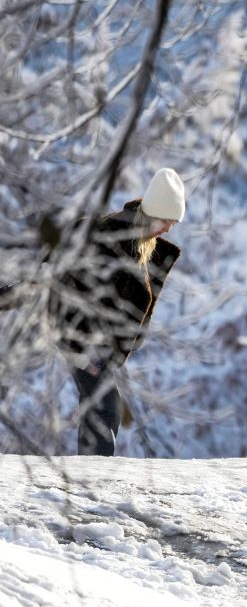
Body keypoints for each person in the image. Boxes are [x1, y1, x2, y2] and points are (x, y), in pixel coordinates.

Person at [50, 168, 185, 456]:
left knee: (106, 408)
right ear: (153, 212)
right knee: (104, 409)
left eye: (173, 223)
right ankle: (91, 482)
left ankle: (91, 477)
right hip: (79, 338)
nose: (169, 229)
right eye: (166, 220)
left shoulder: (143, 246)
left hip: (97, 348)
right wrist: (81, 351)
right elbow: (70, 289)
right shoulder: (111, 236)